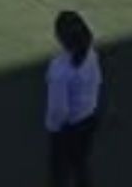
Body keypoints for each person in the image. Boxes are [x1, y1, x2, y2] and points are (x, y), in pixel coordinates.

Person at [44, 11, 103, 187]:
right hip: (89, 118)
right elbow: (97, 80)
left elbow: (58, 109)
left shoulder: (59, 69)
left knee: (59, 172)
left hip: (68, 128)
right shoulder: (91, 54)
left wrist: (53, 129)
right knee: (80, 163)